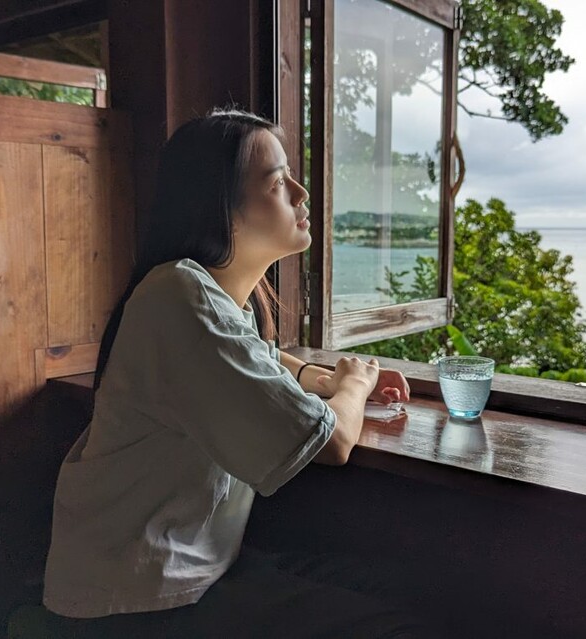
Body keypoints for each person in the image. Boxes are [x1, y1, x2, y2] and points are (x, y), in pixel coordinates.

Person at [41, 109, 426, 637]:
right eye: (276, 182)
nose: (300, 192)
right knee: (399, 622)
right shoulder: (180, 296)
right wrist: (355, 382)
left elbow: (260, 359)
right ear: (220, 209)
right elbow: (334, 441)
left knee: (398, 586)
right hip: (135, 601)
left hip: (186, 573)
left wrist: (320, 375)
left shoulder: (207, 298)